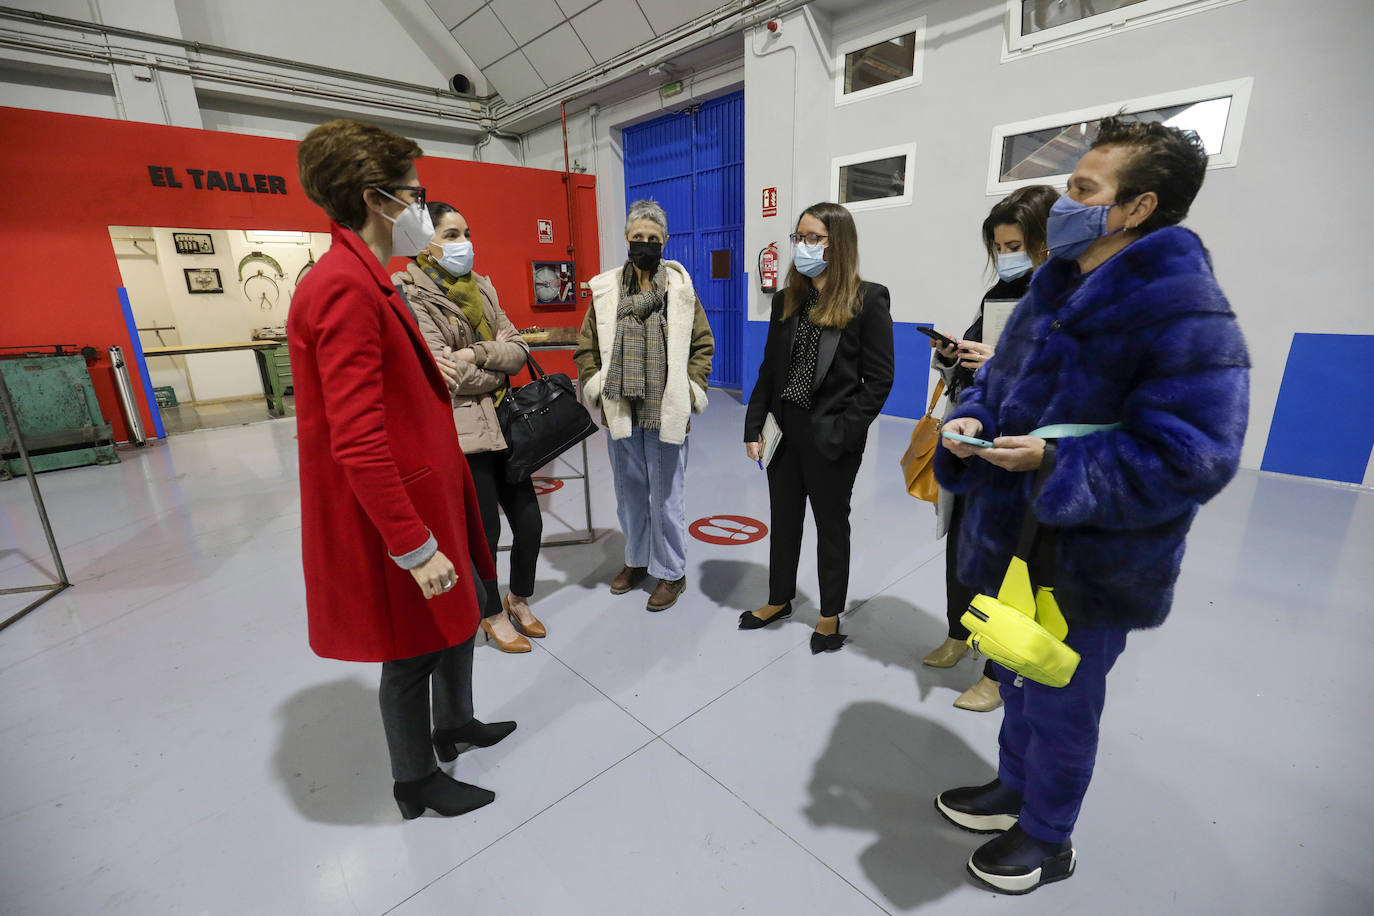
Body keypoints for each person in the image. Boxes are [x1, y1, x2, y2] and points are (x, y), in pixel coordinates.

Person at [932, 118, 1249, 893]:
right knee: (1014, 672)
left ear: (1137, 208)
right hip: (1019, 529)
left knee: (1064, 696)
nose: (1064, 204)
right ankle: (1013, 787)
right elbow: (1002, 386)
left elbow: (1199, 453)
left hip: (1091, 549)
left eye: (1083, 190)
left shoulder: (1183, 303)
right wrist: (973, 415)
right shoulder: (1056, 282)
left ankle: (1048, 838)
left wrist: (1058, 458)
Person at [289, 120, 515, 821]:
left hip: (434, 489)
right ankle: (415, 781)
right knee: (413, 648)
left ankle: (455, 724)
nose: (422, 208)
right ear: (375, 197)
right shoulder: (342, 288)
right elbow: (356, 439)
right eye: (414, 194)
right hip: (401, 511)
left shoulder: (367, 279)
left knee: (457, 620)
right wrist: (413, 547)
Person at [924, 185, 1059, 712]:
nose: (1007, 257)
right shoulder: (997, 297)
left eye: (1016, 245)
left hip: (1026, 453)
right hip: (977, 442)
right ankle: (960, 631)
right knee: (963, 546)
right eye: (999, 247)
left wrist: (1000, 362)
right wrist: (953, 355)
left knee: (1014, 565)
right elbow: (978, 362)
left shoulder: (1067, 302)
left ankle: (999, 673)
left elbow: (1064, 383)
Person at [740, 202, 895, 653]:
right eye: (800, 238)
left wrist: (846, 431)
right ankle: (778, 599)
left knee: (831, 527)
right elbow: (770, 369)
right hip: (784, 431)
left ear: (838, 244)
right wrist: (754, 427)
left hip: (832, 435)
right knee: (784, 521)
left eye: (814, 238)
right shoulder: (788, 300)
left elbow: (880, 379)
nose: (803, 246)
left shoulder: (868, 299)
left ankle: (829, 616)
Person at [393, 202, 547, 654]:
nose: (464, 243)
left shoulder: (483, 288)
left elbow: (517, 349)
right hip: (464, 434)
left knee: (530, 524)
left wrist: (474, 355)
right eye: (453, 235)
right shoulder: (410, 295)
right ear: (426, 244)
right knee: (486, 534)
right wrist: (492, 360)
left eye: (466, 232)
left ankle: (516, 597)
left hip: (506, 422)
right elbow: (443, 374)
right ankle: (490, 613)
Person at [574, 200, 715, 611]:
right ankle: (637, 561)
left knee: (667, 498)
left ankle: (672, 572)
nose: (645, 245)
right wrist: (595, 384)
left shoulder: (681, 292)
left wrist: (691, 389)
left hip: (665, 410)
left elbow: (702, 345)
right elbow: (587, 348)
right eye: (638, 238)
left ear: (665, 242)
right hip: (622, 410)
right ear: (626, 239)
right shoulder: (606, 293)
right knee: (629, 494)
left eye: (653, 239)